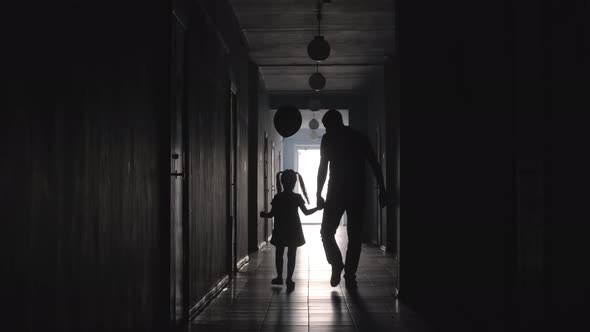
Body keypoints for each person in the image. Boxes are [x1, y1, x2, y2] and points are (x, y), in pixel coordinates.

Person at [316, 109, 387, 290]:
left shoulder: (335, 138)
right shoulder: (355, 137)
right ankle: (344, 270)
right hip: (351, 193)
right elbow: (374, 163)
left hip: (339, 193)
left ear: (336, 123)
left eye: (328, 126)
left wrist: (319, 193)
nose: (327, 130)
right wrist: (382, 189)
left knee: (333, 233)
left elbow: (324, 167)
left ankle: (344, 269)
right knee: (346, 236)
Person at [260, 169, 323, 290]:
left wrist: (263, 215)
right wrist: (318, 208)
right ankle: (289, 278)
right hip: (294, 229)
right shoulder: (297, 197)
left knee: (279, 254)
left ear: (282, 182)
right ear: (294, 183)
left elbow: (271, 214)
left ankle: (279, 277)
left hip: (280, 229)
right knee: (291, 255)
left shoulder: (278, 197)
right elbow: (306, 213)